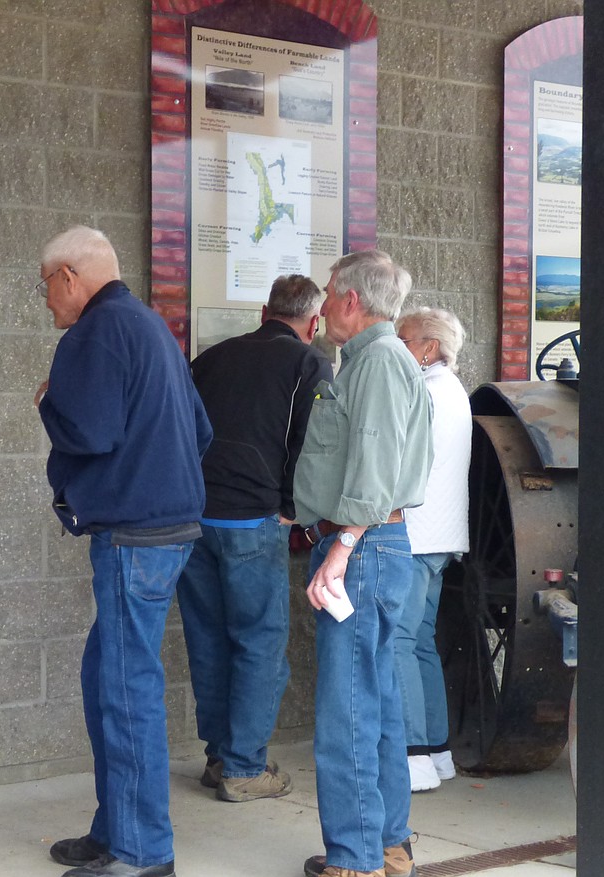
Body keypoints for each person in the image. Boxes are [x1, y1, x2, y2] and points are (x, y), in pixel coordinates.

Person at [36, 226, 212, 877]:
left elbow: (90, 428)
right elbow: (201, 428)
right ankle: (116, 829)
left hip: (133, 536)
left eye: (46, 286)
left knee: (125, 689)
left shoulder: (94, 332)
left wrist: (49, 401)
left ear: (69, 278)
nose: (47, 302)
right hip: (168, 529)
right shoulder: (149, 326)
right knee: (105, 675)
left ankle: (142, 853)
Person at [295, 250, 433, 877]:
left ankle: (354, 860)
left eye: (328, 294)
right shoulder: (386, 358)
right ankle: (387, 844)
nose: (322, 306)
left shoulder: (377, 360)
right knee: (373, 701)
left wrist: (341, 549)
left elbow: (373, 470)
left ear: (352, 300)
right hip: (375, 544)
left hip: (364, 546)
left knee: (346, 709)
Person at [177, 274, 333, 802]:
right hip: (253, 521)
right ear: (313, 323)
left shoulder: (211, 357)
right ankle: (245, 768)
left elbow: (182, 429)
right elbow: (311, 446)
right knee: (259, 644)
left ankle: (219, 757)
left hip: (195, 520)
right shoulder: (308, 363)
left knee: (208, 639)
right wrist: (292, 509)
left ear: (266, 311)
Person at [392, 308, 472, 791]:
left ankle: (413, 757)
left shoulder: (421, 392)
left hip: (414, 534)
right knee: (421, 641)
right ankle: (438, 752)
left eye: (403, 339)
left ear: (429, 348)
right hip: (442, 538)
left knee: (400, 642)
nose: (397, 346)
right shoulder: (454, 392)